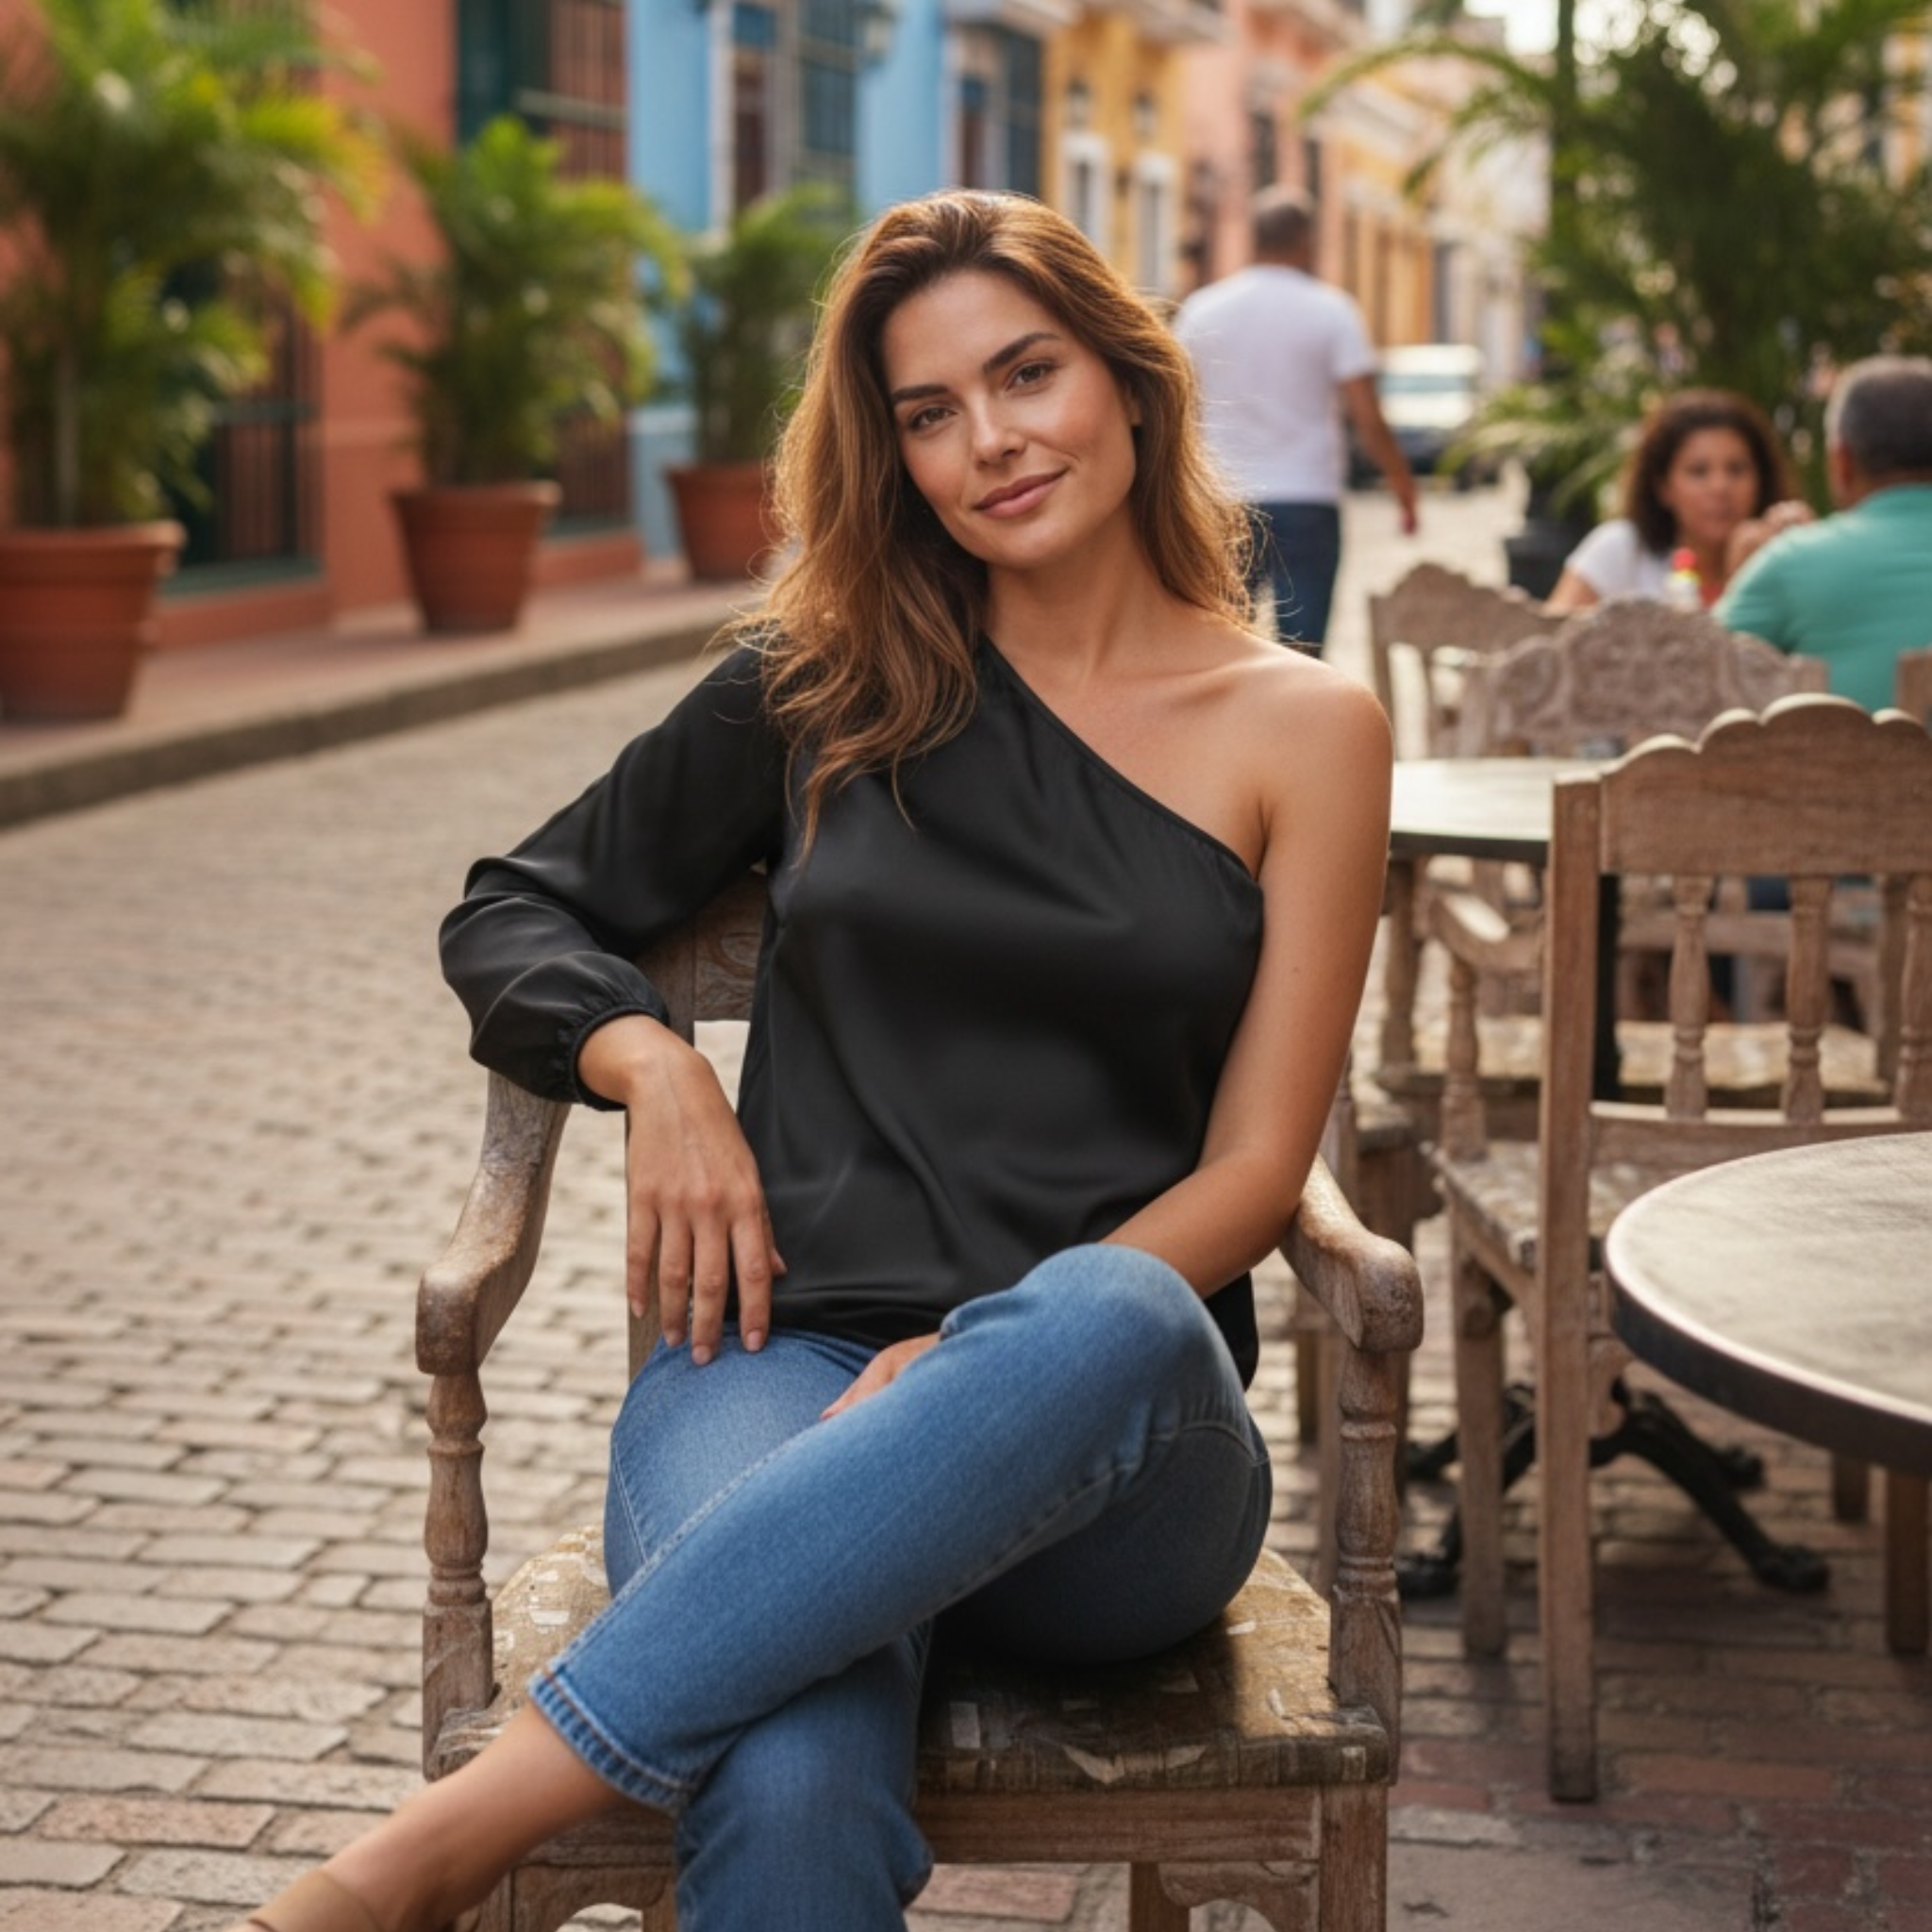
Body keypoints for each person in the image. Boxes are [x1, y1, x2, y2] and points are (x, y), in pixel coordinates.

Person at [227, 190, 1392, 1932]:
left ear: (1130, 385)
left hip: (1115, 1444)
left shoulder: (1306, 726)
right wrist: (651, 1061)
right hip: (773, 1361)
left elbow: (1249, 1170)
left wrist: (963, 1365)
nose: (987, 441)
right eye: (926, 413)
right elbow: (515, 903)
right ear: (891, 454)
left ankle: (430, 1851)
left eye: (1025, 375)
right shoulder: (824, 683)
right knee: (784, 1767)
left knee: (1115, 1310)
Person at [1172, 184, 1418, 654]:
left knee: (1218, 648)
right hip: (1309, 497)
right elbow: (1366, 414)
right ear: (1305, 240)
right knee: (1303, 652)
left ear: (1254, 239)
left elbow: (1176, 402)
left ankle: (1225, 730)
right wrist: (1403, 488)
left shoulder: (1204, 309)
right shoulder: (1332, 310)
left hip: (1223, 500)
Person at [1717, 355, 1932, 710]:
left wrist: (1737, 574)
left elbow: (1688, 692)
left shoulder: (1791, 561)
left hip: (1859, 766)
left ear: (1842, 462)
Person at [1545, 388, 1811, 612]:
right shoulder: (1622, 551)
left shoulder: (1782, 559)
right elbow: (1543, 657)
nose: (1720, 487)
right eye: (1698, 471)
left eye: (1736, 469)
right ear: (1663, 487)